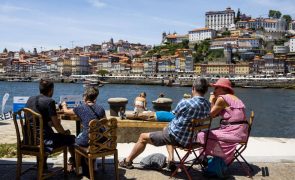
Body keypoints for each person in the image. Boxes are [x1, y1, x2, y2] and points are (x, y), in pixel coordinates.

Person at [119, 78, 211, 170]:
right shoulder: (208, 105)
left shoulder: (186, 102)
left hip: (175, 138)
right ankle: (171, 160)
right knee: (168, 129)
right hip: (190, 140)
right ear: (206, 90)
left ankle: (127, 161)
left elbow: (173, 114)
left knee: (143, 137)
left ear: (193, 88)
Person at [25, 79, 76, 168]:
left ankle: (42, 166)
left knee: (45, 133)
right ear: (51, 90)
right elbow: (57, 125)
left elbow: (42, 121)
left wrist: (51, 123)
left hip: (28, 139)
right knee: (71, 138)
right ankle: (75, 163)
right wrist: (64, 133)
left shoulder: (30, 99)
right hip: (44, 141)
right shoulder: (49, 101)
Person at [197, 78, 248, 165]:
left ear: (223, 89)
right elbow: (215, 114)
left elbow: (210, 115)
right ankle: (210, 158)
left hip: (233, 133)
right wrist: (214, 101)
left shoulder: (222, 99)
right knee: (210, 133)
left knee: (201, 135)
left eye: (216, 88)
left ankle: (203, 158)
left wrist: (211, 100)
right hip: (241, 133)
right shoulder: (235, 98)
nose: (214, 90)